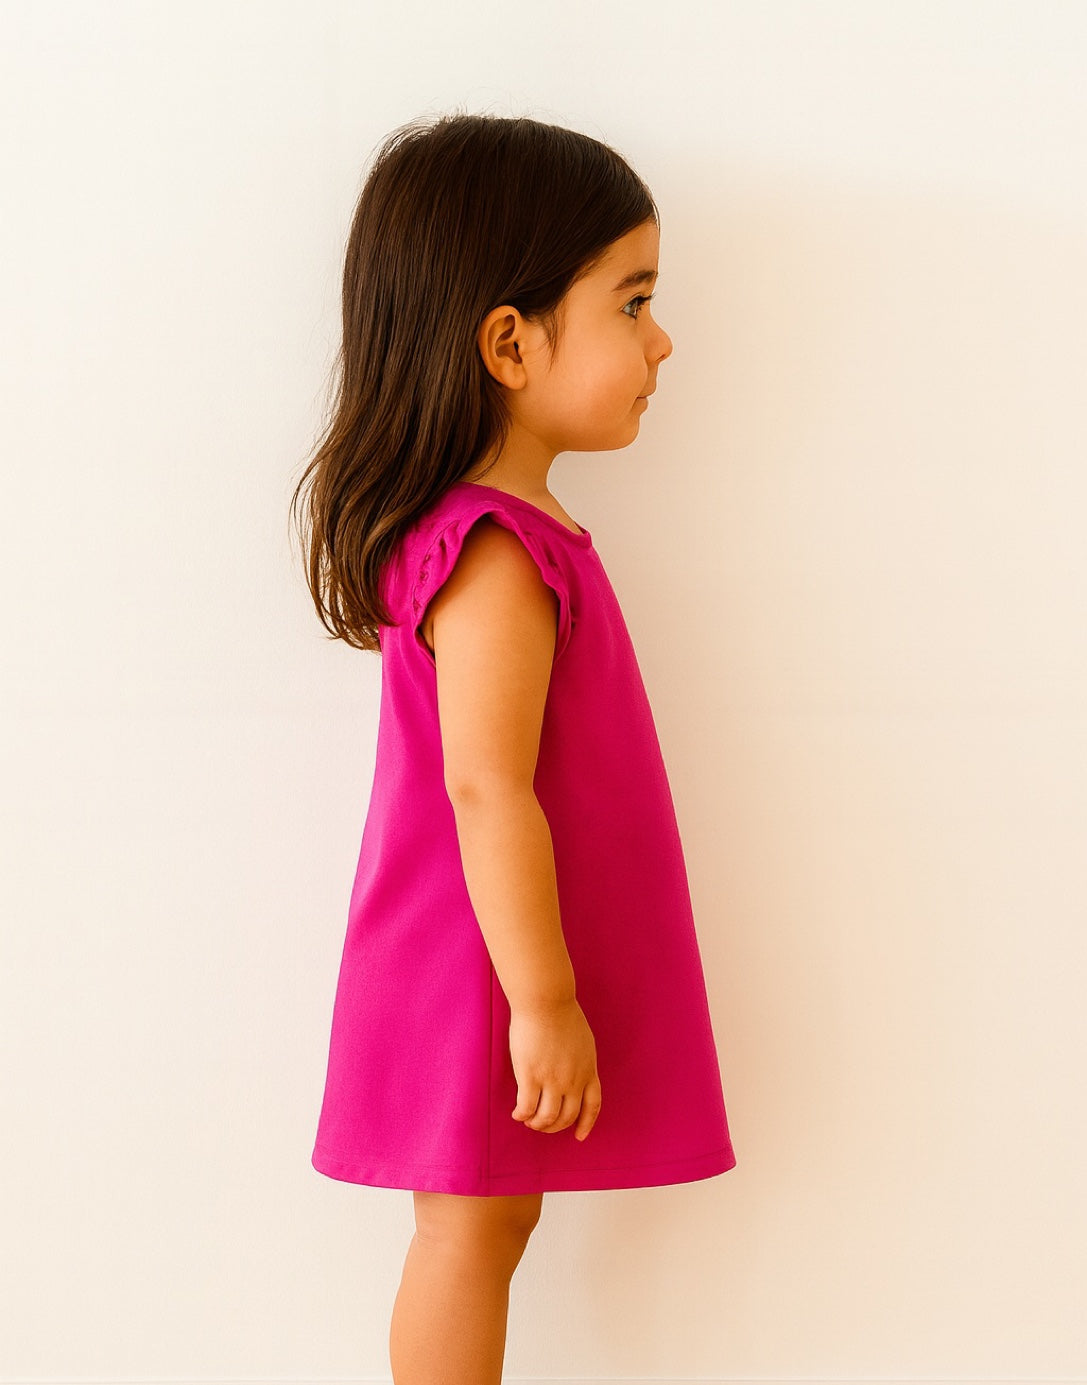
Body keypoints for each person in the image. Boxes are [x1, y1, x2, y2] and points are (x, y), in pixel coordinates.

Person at [291, 111, 736, 1385]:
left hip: (485, 943)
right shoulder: (494, 552)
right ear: (508, 339)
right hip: (483, 958)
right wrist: (541, 1000)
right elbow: (484, 786)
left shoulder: (506, 533)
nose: (662, 341)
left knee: (488, 1217)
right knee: (470, 1226)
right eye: (632, 301)